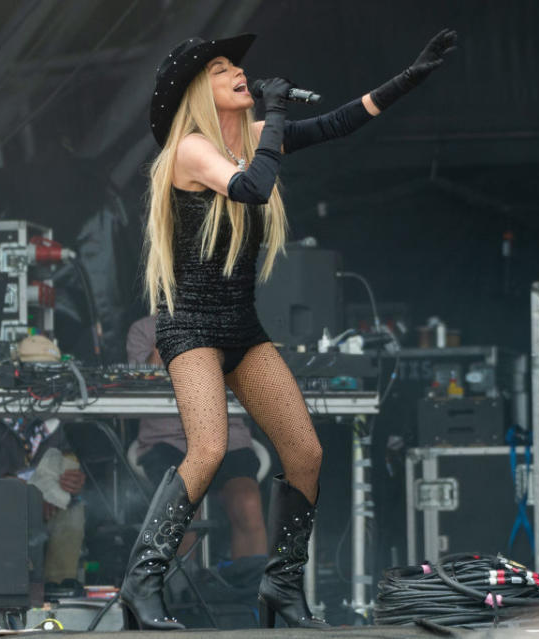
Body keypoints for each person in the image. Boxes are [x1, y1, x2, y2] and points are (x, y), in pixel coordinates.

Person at [118, 30, 457, 630]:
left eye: (235, 67)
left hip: (240, 325)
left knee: (304, 452)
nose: (237, 74)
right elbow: (253, 188)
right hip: (190, 325)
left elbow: (337, 124)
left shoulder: (251, 138)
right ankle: (140, 585)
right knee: (210, 449)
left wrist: (409, 78)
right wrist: (275, 113)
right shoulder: (191, 150)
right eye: (221, 70)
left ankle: (281, 587)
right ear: (201, 92)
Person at [126, 314, 267, 562]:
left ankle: (248, 593)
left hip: (226, 439)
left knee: (248, 503)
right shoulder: (143, 329)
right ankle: (187, 593)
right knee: (185, 504)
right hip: (167, 440)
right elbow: (142, 382)